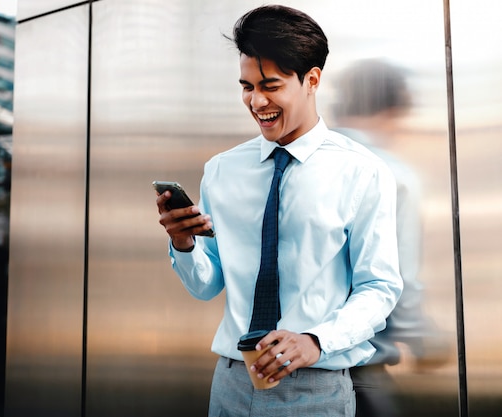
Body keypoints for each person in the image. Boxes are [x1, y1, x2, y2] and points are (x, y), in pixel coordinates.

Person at [155, 6, 403, 417]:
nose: (256, 101)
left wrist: (315, 340)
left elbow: (378, 288)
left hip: (316, 389)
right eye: (247, 86)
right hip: (231, 383)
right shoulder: (222, 170)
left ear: (312, 80)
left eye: (270, 85)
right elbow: (207, 283)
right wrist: (183, 245)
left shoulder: (362, 171)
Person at [332, 59, 451, 417]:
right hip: (354, 364)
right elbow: (395, 272)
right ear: (394, 109)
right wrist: (421, 336)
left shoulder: (295, 161)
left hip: (273, 365)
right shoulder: (391, 175)